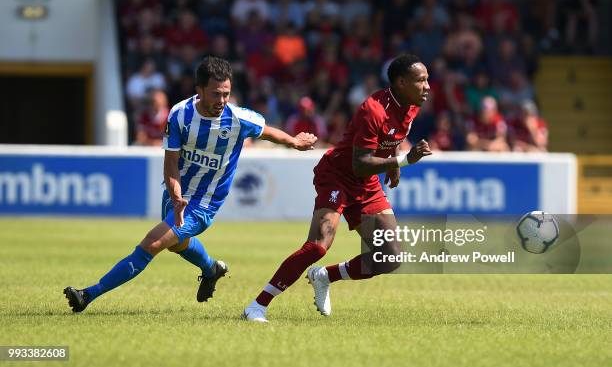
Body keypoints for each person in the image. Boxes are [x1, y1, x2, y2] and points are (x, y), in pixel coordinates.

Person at [64, 56, 317, 312]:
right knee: (176, 244)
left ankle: (88, 295)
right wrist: (176, 197)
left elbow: (268, 131)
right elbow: (171, 162)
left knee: (152, 243)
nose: (222, 101)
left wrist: (294, 142)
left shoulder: (238, 118)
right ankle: (211, 268)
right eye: (216, 94)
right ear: (199, 90)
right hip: (178, 195)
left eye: (226, 94)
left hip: (205, 202)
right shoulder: (180, 115)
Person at [243, 54, 432, 322]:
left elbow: (391, 138)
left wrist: (393, 163)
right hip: (338, 176)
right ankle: (257, 306)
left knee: (390, 257)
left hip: (366, 184)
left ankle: (325, 276)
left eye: (427, 79)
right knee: (318, 246)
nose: (427, 86)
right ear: (401, 83)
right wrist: (403, 160)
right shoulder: (373, 109)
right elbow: (360, 163)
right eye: (421, 80)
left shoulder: (411, 105)